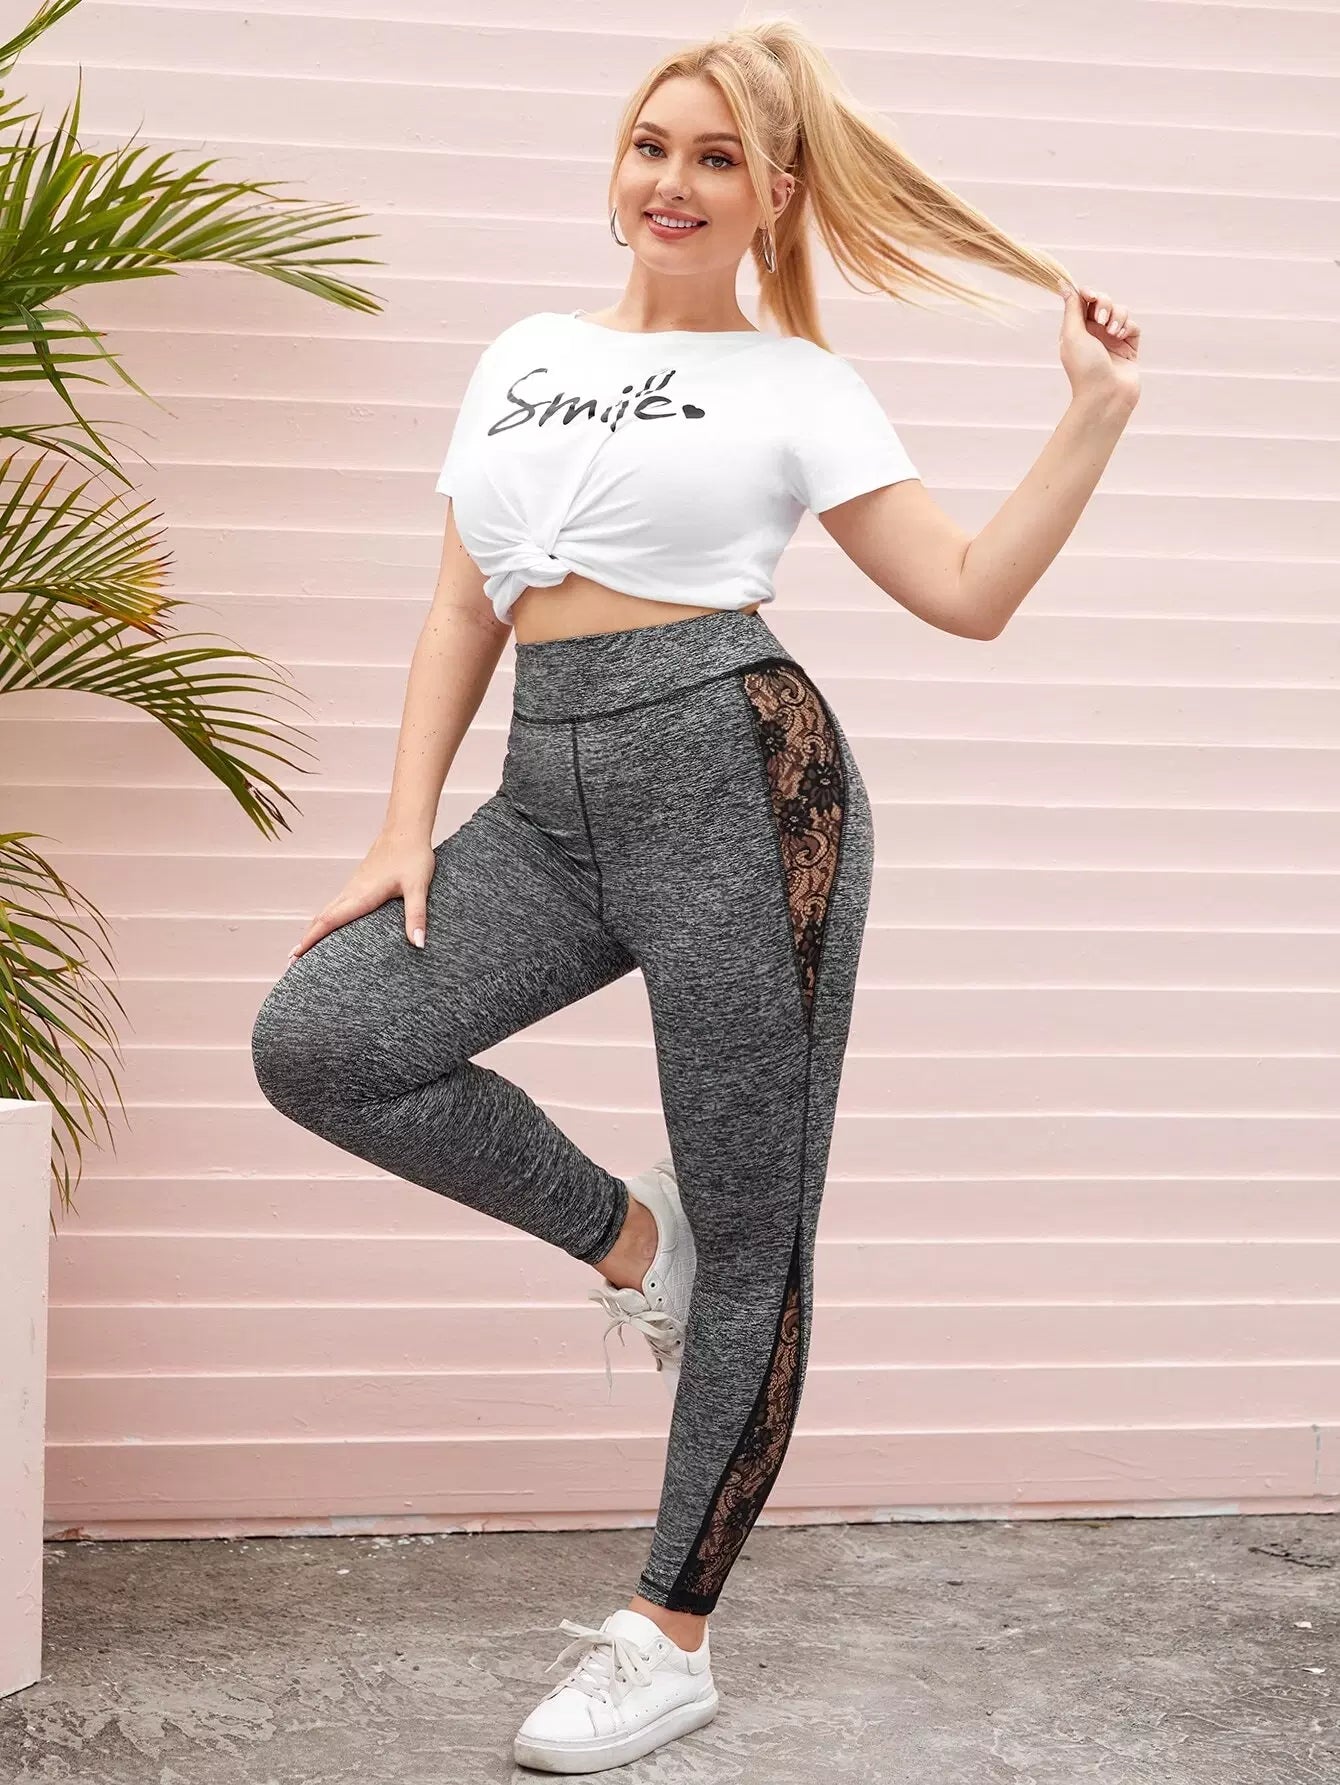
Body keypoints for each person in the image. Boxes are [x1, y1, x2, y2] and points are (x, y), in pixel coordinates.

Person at [249, 16, 1141, 1774]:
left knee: (764, 1231)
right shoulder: (522, 352)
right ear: (618, 163)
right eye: (654, 145)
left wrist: (1093, 414)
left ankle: (666, 1635)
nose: (675, 181)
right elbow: (463, 605)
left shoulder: (798, 382)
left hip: (742, 786)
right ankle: (633, 1247)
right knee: (323, 1039)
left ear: (773, 194)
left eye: (718, 158)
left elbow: (968, 592)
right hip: (547, 796)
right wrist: (403, 824)